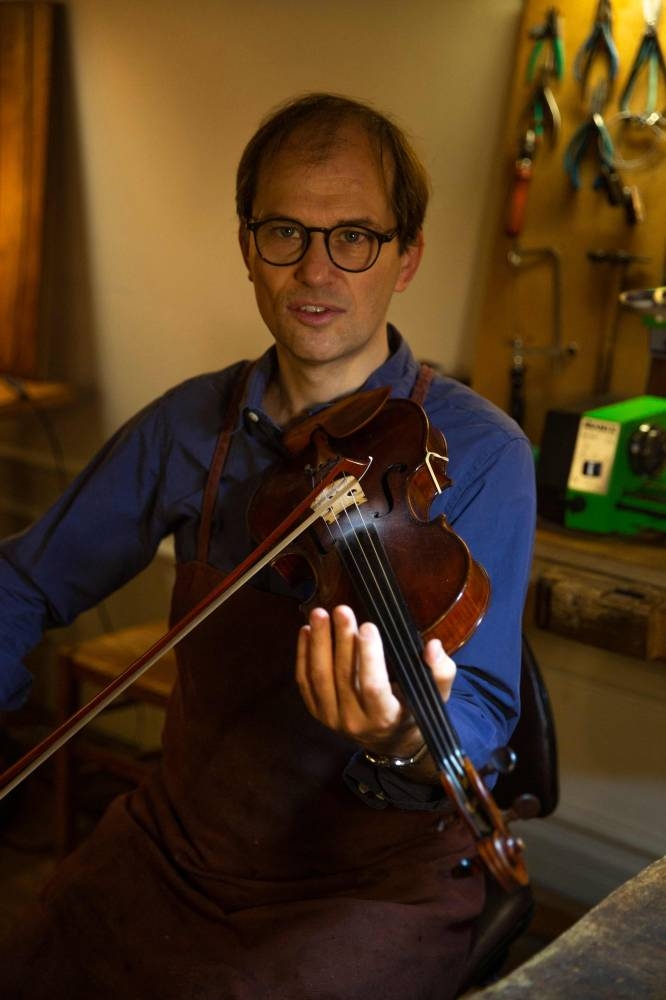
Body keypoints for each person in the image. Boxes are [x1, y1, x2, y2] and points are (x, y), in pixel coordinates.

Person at [0, 93, 536, 999]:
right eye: (285, 231)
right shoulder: (189, 425)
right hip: (183, 844)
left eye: (354, 236)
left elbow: (479, 711)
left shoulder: (477, 453)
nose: (316, 270)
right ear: (248, 246)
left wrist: (404, 733)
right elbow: (22, 582)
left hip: (371, 885)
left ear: (406, 258)